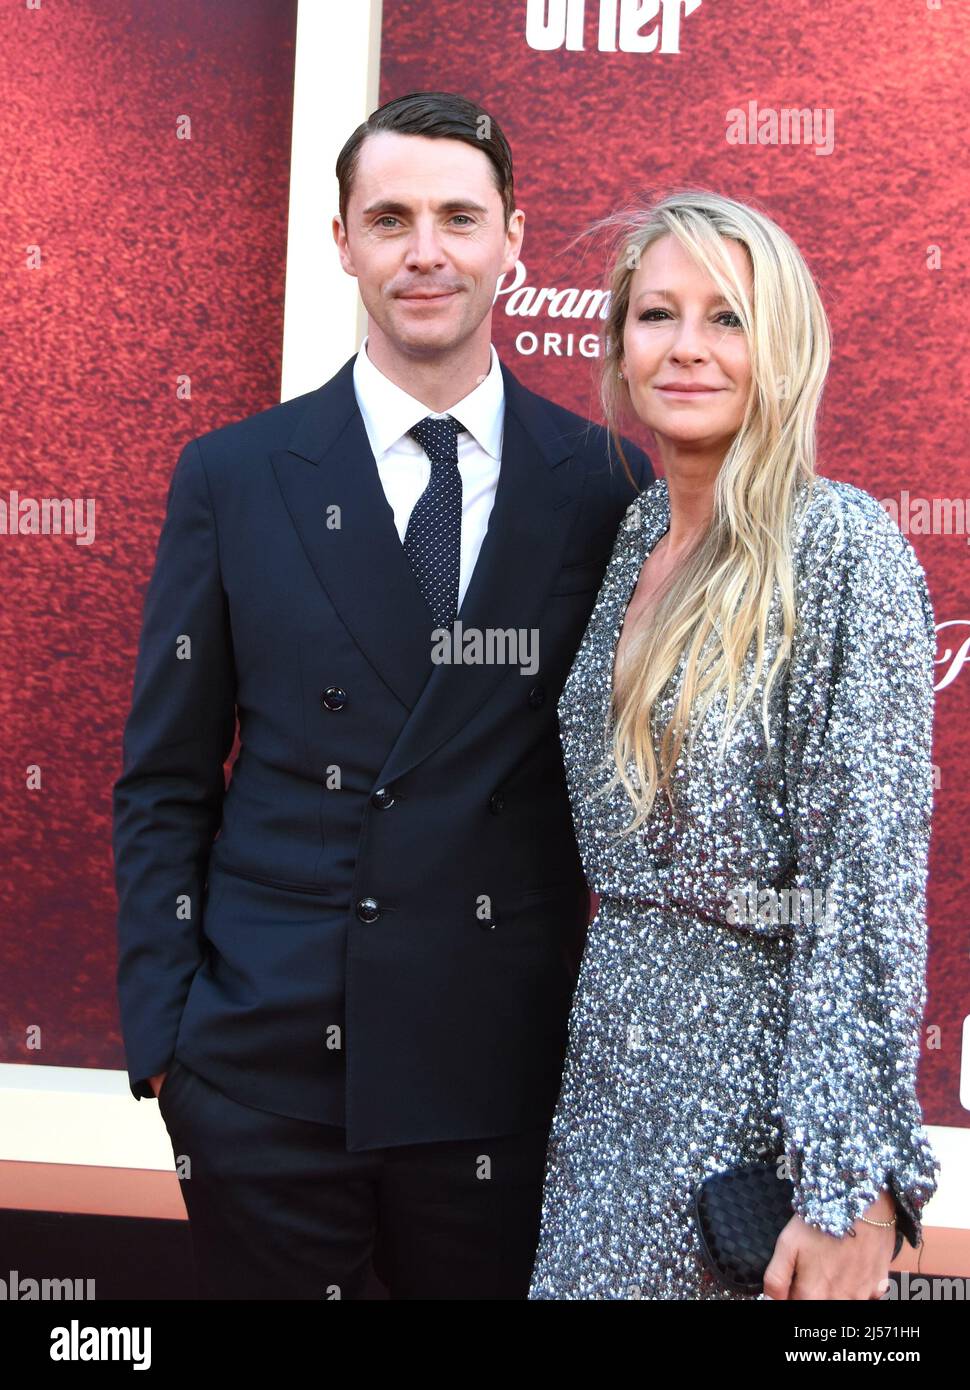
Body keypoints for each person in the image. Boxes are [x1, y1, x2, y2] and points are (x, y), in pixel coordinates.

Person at [111, 90, 652, 1300]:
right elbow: (163, 780)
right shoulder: (236, 475)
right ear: (342, 239)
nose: (426, 251)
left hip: (499, 1084)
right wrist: (166, 1042)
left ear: (513, 241)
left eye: (459, 217)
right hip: (264, 1081)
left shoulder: (605, 483)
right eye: (390, 217)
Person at [527, 189, 940, 1300]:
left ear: (784, 344)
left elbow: (865, 886)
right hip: (610, 1079)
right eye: (657, 315)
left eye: (728, 318)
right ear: (617, 344)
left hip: (756, 1110)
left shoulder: (840, 544)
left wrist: (845, 1180)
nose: (687, 348)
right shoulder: (633, 538)